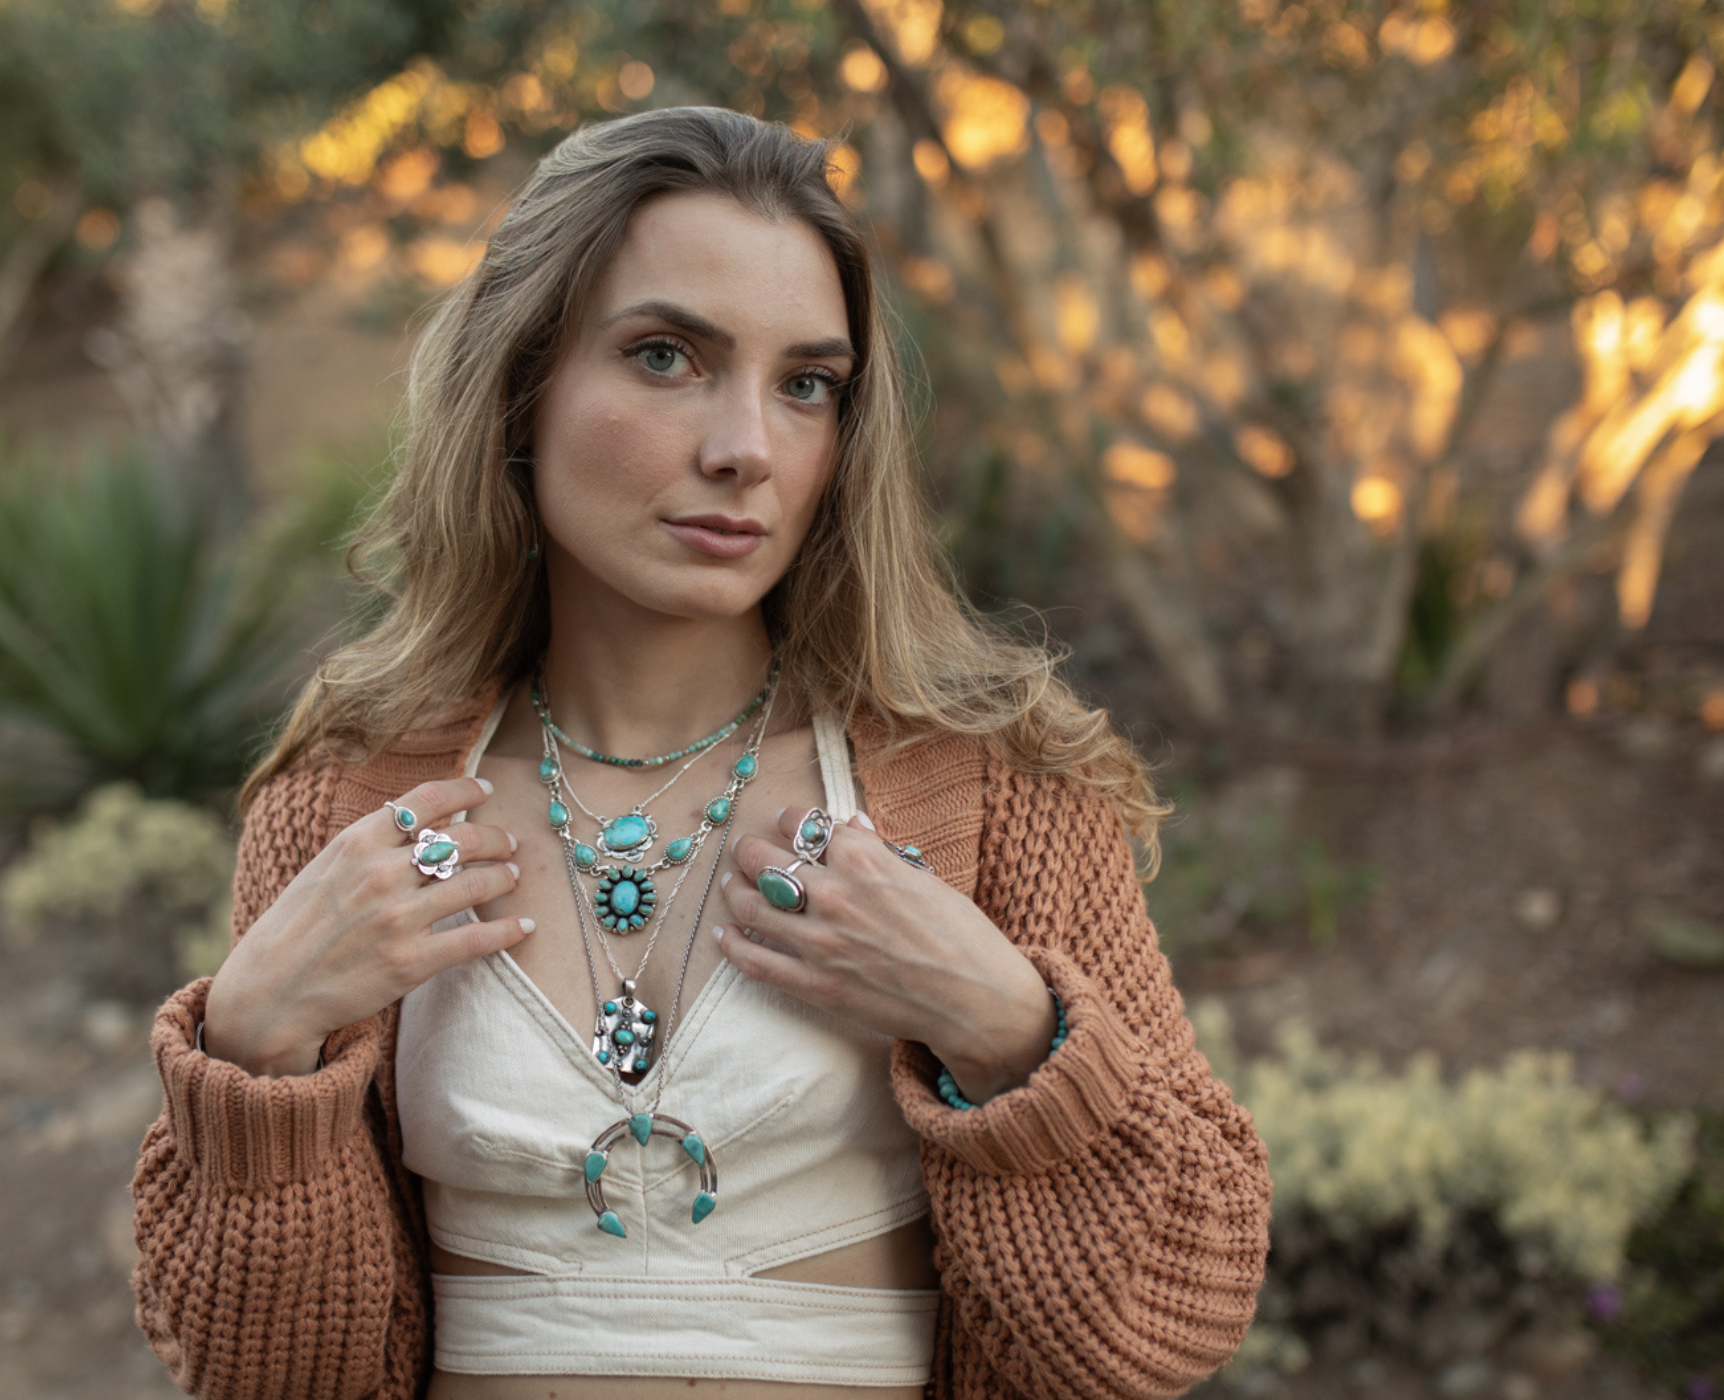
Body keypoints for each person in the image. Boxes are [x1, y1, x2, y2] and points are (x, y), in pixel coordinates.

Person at [130, 107, 1270, 1400]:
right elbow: (273, 1376)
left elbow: (1172, 1314)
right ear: (521, 384)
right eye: (666, 357)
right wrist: (257, 1049)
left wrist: (1007, 1032)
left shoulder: (995, 789)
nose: (746, 451)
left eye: (806, 384)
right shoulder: (346, 801)